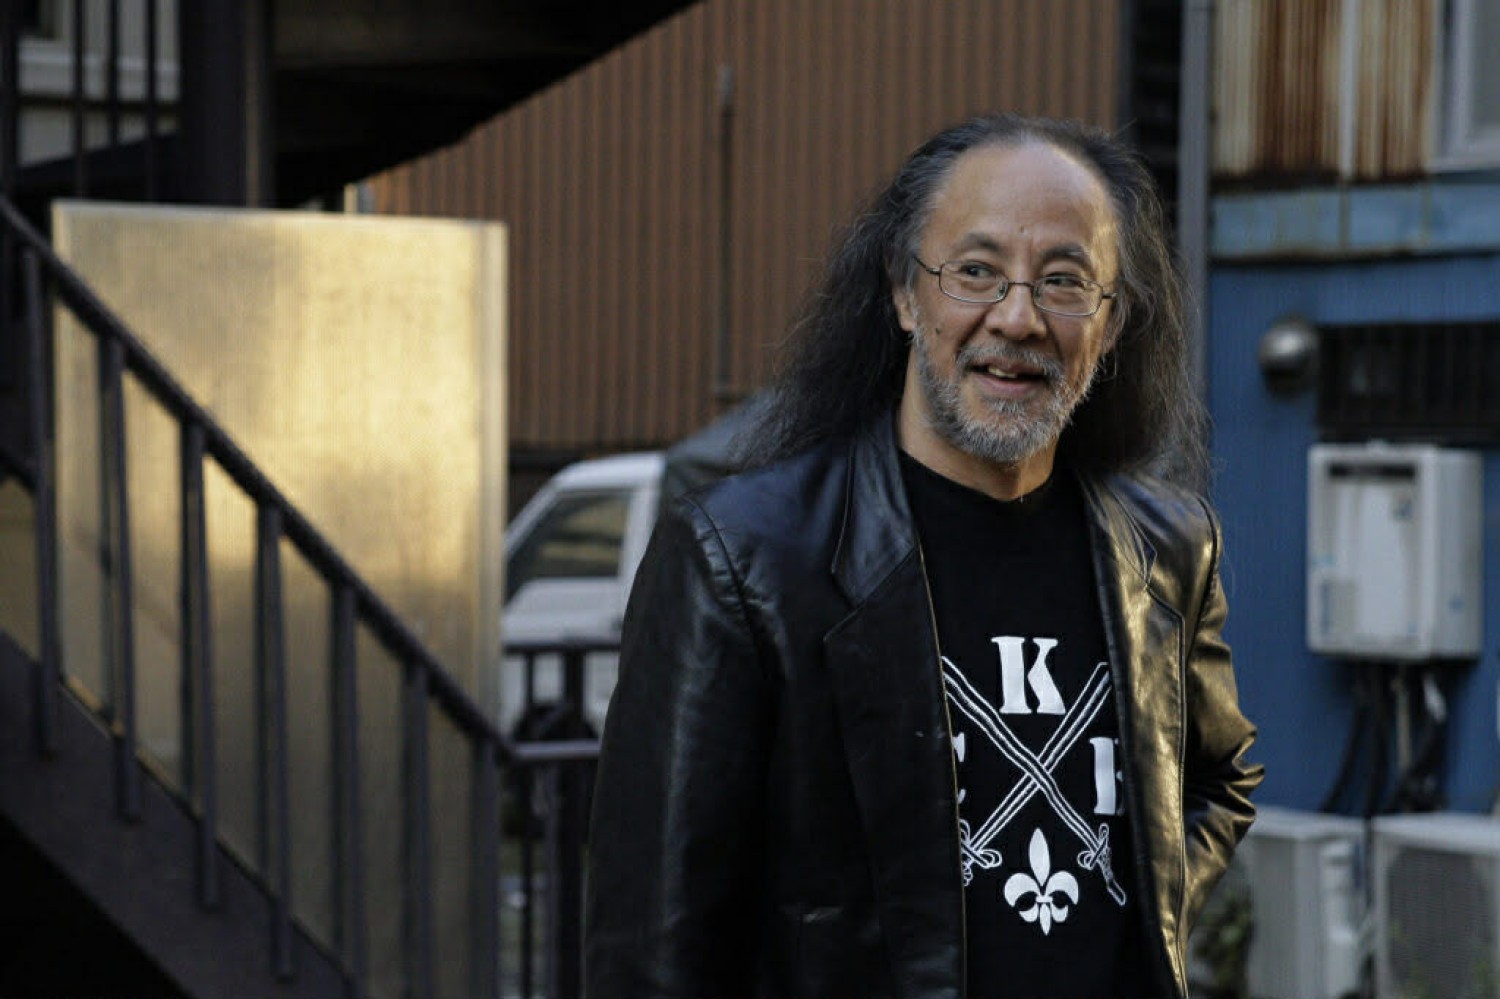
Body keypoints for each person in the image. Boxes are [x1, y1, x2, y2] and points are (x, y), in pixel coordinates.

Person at [585, 113, 1262, 999]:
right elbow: (652, 943)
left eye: (1065, 281)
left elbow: (1219, 777)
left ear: (1111, 323)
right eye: (975, 271)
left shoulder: (1168, 549)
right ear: (906, 293)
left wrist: (1141, 909)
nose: (1017, 318)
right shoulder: (743, 559)